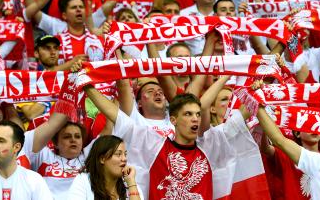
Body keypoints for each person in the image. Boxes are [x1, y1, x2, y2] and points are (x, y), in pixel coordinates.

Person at [84, 84, 254, 200]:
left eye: (197, 114)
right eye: (188, 114)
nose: (195, 119)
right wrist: (86, 85)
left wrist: (258, 88)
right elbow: (117, 116)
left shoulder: (210, 146)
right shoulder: (154, 146)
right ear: (173, 120)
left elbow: (240, 116)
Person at [67, 135, 142, 200]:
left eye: (125, 154)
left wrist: (131, 182)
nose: (124, 159)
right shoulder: (83, 180)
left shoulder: (130, 183)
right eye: (118, 154)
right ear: (102, 159)